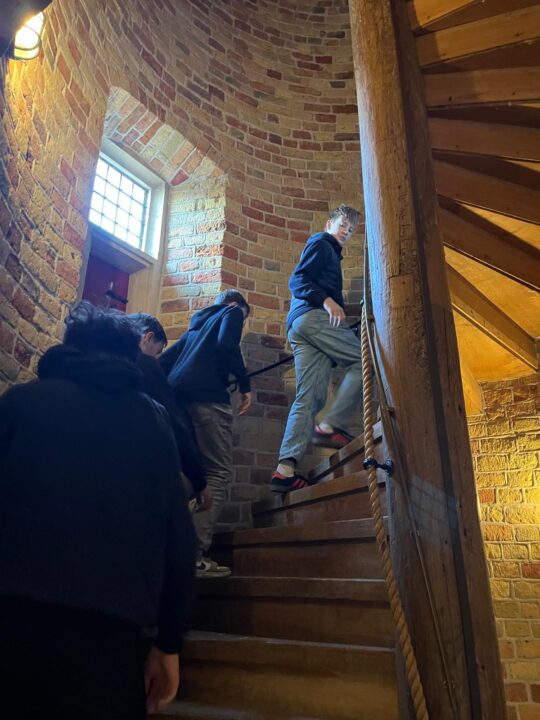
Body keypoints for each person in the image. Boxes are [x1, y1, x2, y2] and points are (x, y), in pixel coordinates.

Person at [0, 302, 196, 719]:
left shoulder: (20, 403)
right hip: (110, 641)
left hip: (11, 618)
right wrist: (168, 643)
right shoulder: (154, 422)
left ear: (68, 345)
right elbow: (179, 539)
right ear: (130, 357)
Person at [160, 289, 252, 578]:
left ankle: (167, 540)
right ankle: (193, 557)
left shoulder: (195, 328)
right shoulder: (232, 311)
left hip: (179, 401)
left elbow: (162, 363)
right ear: (235, 304)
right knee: (218, 473)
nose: (241, 322)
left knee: (192, 474)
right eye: (244, 318)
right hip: (209, 399)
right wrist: (244, 384)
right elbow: (226, 345)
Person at [271, 204, 362, 494]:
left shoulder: (329, 250)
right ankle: (330, 426)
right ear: (328, 224)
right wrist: (327, 301)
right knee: (364, 361)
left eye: (351, 229)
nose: (346, 231)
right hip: (313, 317)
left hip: (299, 326)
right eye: (342, 225)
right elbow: (298, 279)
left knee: (309, 397)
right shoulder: (322, 243)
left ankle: (285, 470)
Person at [128, 312, 211, 511]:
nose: (157, 358)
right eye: (157, 352)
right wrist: (199, 480)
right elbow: (174, 423)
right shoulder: (146, 366)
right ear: (148, 337)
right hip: (138, 470)